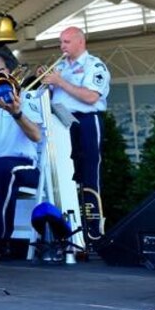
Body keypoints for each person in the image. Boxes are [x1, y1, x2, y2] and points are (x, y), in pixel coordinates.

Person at [41, 26, 110, 242]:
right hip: (61, 123)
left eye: (67, 42)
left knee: (89, 171)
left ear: (80, 42)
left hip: (87, 120)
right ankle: (68, 226)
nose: (62, 47)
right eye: (61, 42)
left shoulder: (95, 65)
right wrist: (47, 83)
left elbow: (91, 97)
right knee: (65, 174)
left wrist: (59, 82)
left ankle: (93, 230)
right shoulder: (61, 66)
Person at [0, 52, 44, 260]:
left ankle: (0, 238)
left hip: (23, 164)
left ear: (8, 72)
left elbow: (36, 135)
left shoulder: (27, 97)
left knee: (7, 171)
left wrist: (16, 112)